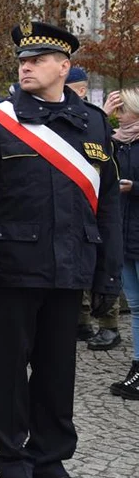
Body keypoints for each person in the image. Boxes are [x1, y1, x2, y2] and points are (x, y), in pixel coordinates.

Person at [0, 21, 122, 478]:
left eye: (38, 59)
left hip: (70, 269)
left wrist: (107, 273)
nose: (25, 65)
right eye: (22, 59)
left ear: (63, 67)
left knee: (57, 372)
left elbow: (107, 203)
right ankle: (11, 466)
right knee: (8, 376)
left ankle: (50, 463)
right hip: (13, 269)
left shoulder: (93, 122)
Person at [66, 67, 122, 350]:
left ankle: (109, 325)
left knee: (101, 265)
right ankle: (83, 321)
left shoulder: (94, 119)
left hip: (96, 208)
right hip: (73, 209)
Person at [104, 87, 139, 400]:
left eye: (121, 110)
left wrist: (135, 188)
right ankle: (138, 366)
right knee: (137, 306)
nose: (118, 116)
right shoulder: (116, 142)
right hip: (125, 235)